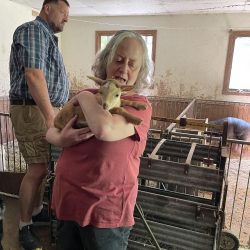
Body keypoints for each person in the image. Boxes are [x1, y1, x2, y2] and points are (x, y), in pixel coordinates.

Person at [46, 30, 154, 250]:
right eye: (119, 60)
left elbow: (104, 129)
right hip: (68, 201)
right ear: (107, 60)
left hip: (106, 213)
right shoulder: (88, 93)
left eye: (132, 64)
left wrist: (84, 97)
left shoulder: (138, 106)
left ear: (140, 71)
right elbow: (50, 130)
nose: (123, 69)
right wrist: (62, 139)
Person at [9, 0, 70, 249]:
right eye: (64, 13)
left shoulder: (46, 37)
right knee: (36, 169)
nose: (66, 19)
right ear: (48, 8)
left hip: (42, 109)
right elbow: (34, 75)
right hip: (33, 109)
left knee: (43, 167)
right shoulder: (33, 30)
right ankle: (24, 226)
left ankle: (35, 210)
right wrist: (50, 117)